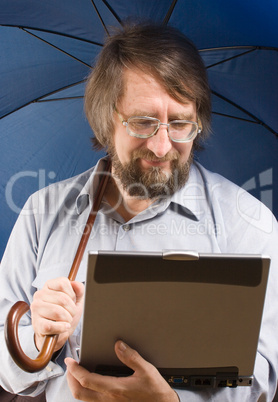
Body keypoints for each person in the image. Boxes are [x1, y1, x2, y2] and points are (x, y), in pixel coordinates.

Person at [0, 22, 278, 402]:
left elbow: (265, 370)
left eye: (180, 124)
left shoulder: (250, 224)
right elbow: (5, 366)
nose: (163, 146)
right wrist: (36, 338)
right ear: (106, 118)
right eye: (143, 122)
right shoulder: (41, 212)